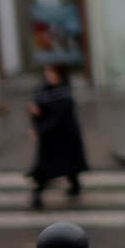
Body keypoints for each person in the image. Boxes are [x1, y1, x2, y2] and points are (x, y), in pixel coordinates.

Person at [26, 64, 86, 209]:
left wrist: (39, 130)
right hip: (52, 138)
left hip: (63, 136)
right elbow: (39, 104)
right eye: (47, 74)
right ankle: (38, 195)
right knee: (47, 167)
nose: (48, 77)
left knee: (62, 164)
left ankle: (72, 186)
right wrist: (35, 110)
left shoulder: (64, 94)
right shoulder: (45, 89)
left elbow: (57, 118)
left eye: (51, 74)